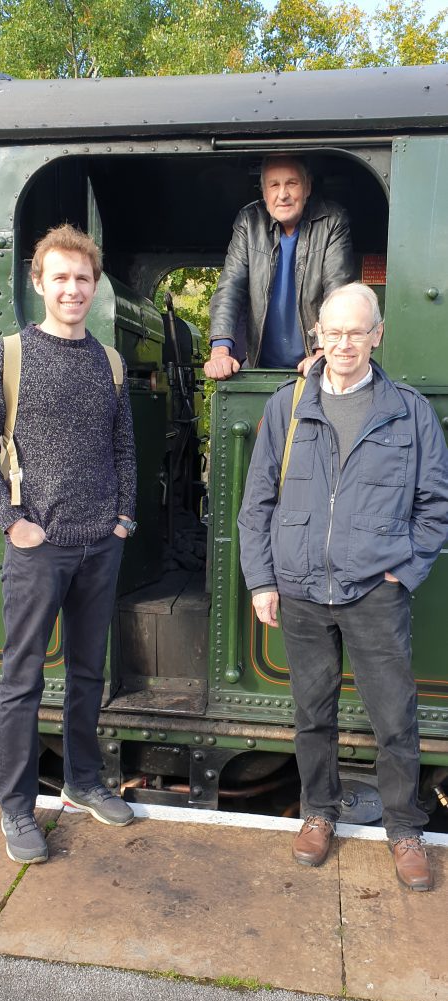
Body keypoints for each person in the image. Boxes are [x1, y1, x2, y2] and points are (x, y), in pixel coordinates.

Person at [238, 282, 448, 891]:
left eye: (357, 331)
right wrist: (262, 582)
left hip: (374, 592)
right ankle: (317, 813)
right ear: (318, 336)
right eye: (333, 332)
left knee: (395, 719)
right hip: (301, 590)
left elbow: (436, 508)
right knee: (312, 715)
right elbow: (258, 504)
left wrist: (401, 571)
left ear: (377, 335)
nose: (344, 343)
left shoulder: (408, 410)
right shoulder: (288, 404)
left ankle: (406, 829)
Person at [0, 224, 137, 864]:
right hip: (38, 546)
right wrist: (14, 523)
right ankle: (16, 808)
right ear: (39, 283)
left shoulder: (109, 361)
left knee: (90, 673)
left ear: (94, 288)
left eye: (82, 279)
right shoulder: (7, 356)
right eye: (59, 277)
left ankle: (83, 780)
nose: (72, 288)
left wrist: (124, 518)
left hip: (100, 544)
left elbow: (124, 448)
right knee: (23, 678)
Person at [204, 154, 355, 380]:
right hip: (258, 365)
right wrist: (220, 351)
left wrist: (323, 352)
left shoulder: (332, 220)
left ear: (307, 187)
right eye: (274, 185)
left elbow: (337, 293)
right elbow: (230, 288)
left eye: (291, 183)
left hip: (314, 366)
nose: (282, 195)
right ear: (264, 193)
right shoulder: (248, 221)